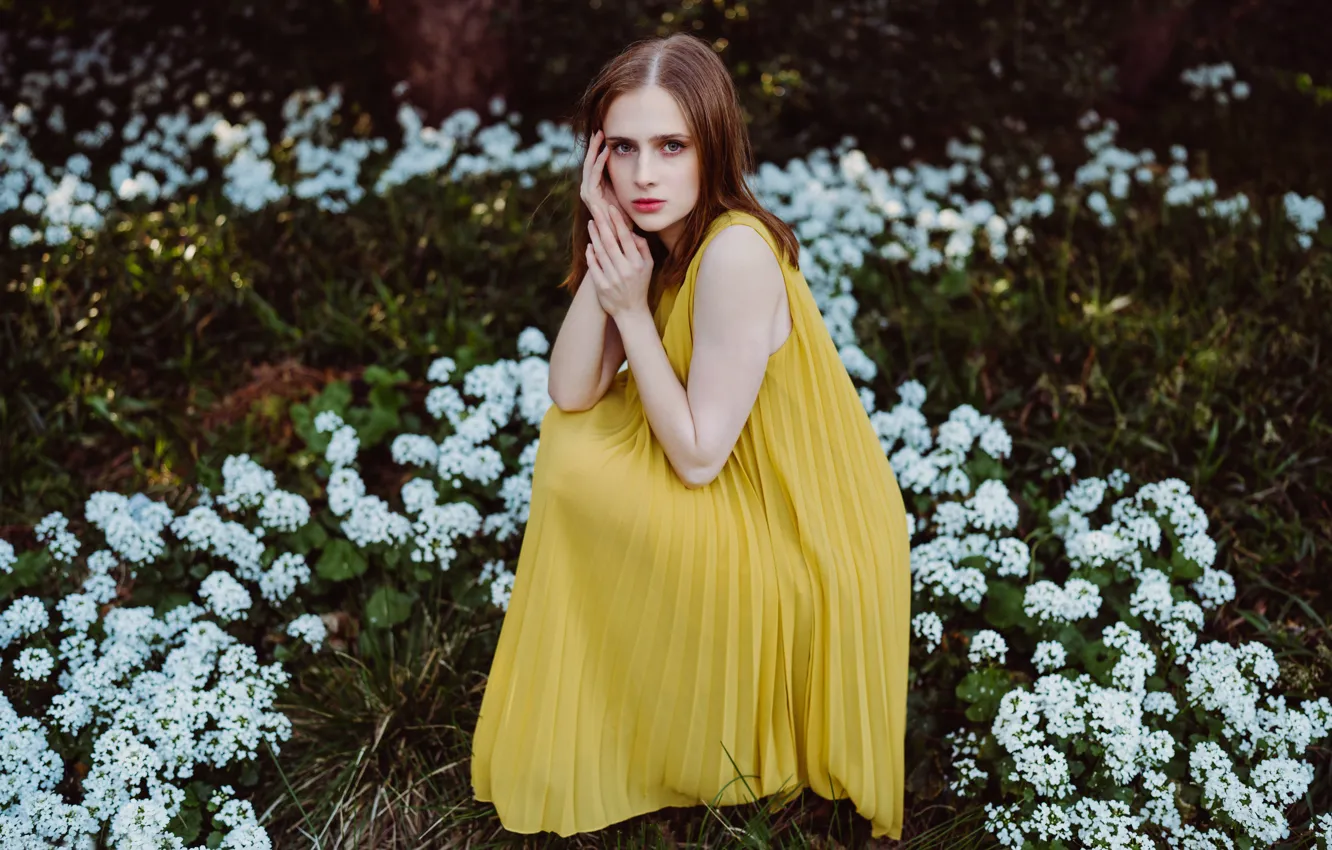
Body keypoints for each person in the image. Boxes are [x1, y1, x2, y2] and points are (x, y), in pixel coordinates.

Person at [469, 32, 912, 841]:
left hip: (797, 527)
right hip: (735, 481)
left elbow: (702, 457)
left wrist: (633, 311)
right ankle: (623, 701)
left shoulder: (735, 252)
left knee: (577, 470)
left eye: (671, 146)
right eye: (624, 150)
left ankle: (651, 721)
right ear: (597, 158)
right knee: (574, 444)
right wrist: (606, 238)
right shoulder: (655, 236)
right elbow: (569, 389)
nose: (645, 174)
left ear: (712, 146)